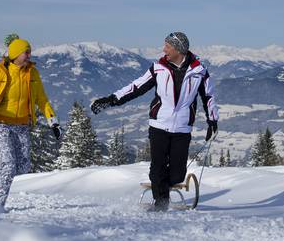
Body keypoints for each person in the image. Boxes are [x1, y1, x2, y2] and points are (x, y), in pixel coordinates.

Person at [91, 32, 219, 211]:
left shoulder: (199, 71)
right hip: (159, 125)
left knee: (177, 174)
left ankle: (161, 189)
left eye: (168, 46)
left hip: (182, 128)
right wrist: (111, 99)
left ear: (179, 49)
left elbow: (209, 96)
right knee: (157, 169)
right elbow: (135, 87)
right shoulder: (158, 68)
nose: (163, 49)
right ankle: (161, 205)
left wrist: (212, 120)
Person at [0, 34, 60, 209]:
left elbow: (41, 99)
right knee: (9, 165)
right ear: (16, 54)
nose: (29, 55)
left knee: (23, 166)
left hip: (22, 125)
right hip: (0, 124)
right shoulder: (0, 71)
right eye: (26, 52)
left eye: (29, 52)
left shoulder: (33, 73)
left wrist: (53, 120)